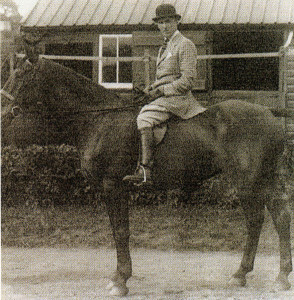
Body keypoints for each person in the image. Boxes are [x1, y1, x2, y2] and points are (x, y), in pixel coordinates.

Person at [123, 4, 206, 186]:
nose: (164, 26)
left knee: (144, 119)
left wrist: (160, 91)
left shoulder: (185, 44)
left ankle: (146, 170)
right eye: (160, 23)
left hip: (178, 99)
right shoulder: (164, 48)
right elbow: (163, 78)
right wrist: (148, 90)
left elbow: (187, 81)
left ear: (177, 21)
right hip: (164, 97)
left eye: (168, 21)